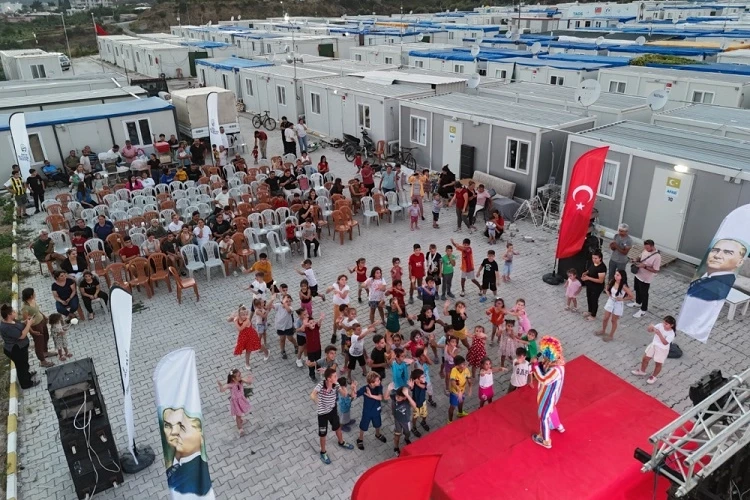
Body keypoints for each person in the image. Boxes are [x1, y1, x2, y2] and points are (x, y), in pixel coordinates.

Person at [679, 238, 746, 341]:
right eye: (715, 250)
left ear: (740, 262)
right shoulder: (705, 278)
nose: (717, 255)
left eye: (728, 253)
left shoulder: (717, 287)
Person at [161, 407, 213, 496]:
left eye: (181, 427)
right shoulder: (172, 468)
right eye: (168, 425)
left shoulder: (199, 478)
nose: (174, 432)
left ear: (200, 436)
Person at [311, 368, 355, 464]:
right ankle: (323, 452)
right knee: (323, 434)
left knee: (337, 427)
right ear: (329, 379)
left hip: (332, 410)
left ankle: (341, 442)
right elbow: (313, 395)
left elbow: (344, 394)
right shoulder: (321, 385)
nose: (337, 377)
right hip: (322, 414)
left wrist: (350, 388)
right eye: (335, 376)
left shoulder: (336, 384)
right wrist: (317, 401)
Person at [531, 336, 566, 449]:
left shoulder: (556, 370)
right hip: (551, 395)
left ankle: (545, 440)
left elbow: (543, 379)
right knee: (552, 409)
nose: (543, 356)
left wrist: (535, 366)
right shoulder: (554, 361)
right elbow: (545, 367)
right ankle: (558, 425)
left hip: (548, 396)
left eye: (545, 354)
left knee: (543, 416)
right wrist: (539, 364)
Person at [0, 304, 38, 389]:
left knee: (24, 364)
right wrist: (29, 324)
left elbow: (19, 325)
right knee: (21, 367)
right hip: (16, 350)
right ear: (9, 315)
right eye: (13, 312)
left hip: (21, 348)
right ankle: (26, 384)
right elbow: (22, 336)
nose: (15, 312)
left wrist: (25, 322)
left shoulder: (11, 321)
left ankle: (27, 375)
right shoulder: (7, 327)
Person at [631, 315, 676, 385]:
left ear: (671, 325)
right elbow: (650, 330)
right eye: (664, 322)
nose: (664, 325)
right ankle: (642, 371)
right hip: (654, 345)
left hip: (662, 349)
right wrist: (650, 327)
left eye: (666, 324)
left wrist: (659, 334)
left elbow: (665, 343)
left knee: (658, 363)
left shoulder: (671, 334)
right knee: (645, 358)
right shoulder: (660, 325)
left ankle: (653, 377)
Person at [596, 269, 634, 342]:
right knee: (605, 318)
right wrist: (608, 292)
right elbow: (607, 288)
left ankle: (611, 335)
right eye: (615, 274)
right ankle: (603, 330)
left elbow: (632, 296)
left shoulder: (624, 286)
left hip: (618, 304)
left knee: (613, 320)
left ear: (622, 277)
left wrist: (622, 299)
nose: (615, 276)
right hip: (611, 301)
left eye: (617, 275)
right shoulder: (612, 281)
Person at [20, 288, 54, 367]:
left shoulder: (33, 300)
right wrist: (32, 331)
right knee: (39, 343)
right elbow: (26, 321)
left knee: (46, 337)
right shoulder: (25, 308)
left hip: (42, 321)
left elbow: (37, 311)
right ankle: (42, 361)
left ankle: (45, 352)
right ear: (31, 296)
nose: (35, 294)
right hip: (35, 326)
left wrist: (44, 316)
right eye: (34, 293)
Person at [628, 239, 662, 319]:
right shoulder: (645, 250)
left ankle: (643, 309)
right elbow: (640, 256)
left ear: (652, 246)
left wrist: (644, 266)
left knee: (644, 294)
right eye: (645, 247)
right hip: (638, 274)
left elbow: (656, 270)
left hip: (645, 278)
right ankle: (638, 302)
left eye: (647, 248)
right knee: (637, 289)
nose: (646, 249)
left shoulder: (657, 257)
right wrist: (636, 260)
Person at [355, 371, 388, 450]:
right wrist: (353, 388)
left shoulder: (379, 386)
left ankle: (377, 434)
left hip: (376, 410)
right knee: (363, 426)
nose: (379, 381)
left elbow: (380, 397)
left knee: (378, 424)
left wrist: (371, 396)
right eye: (377, 380)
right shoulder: (365, 388)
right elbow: (355, 395)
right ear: (372, 383)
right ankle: (360, 439)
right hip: (367, 412)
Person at [390, 381, 417, 457]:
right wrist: (389, 389)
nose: (397, 398)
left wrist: (408, 395)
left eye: (399, 397)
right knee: (397, 436)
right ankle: (396, 448)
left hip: (406, 421)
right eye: (397, 396)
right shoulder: (394, 395)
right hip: (397, 420)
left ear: (405, 397)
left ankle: (406, 439)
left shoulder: (407, 401)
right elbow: (385, 397)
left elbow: (414, 406)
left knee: (407, 433)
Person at [582, 250, 607, 321]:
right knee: (589, 298)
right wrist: (586, 272)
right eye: (593, 258)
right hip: (590, 285)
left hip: (597, 287)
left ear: (600, 258)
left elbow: (600, 280)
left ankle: (593, 315)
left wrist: (588, 278)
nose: (594, 260)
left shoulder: (602, 268)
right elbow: (590, 269)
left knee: (594, 300)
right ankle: (590, 311)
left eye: (596, 258)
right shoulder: (594, 263)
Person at [327, 275, 350, 344]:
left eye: (345, 280)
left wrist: (338, 292)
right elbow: (328, 291)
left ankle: (347, 334)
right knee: (335, 321)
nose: (344, 281)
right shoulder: (335, 285)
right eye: (342, 279)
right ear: (338, 280)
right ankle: (334, 334)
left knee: (347, 320)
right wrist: (330, 288)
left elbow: (343, 296)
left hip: (345, 307)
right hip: (337, 306)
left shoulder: (347, 287)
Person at [448, 355, 471, 422]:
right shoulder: (454, 370)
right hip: (455, 393)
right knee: (452, 407)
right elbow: (452, 382)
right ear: (457, 366)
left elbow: (469, 378)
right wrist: (458, 391)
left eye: (464, 363)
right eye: (463, 364)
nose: (465, 365)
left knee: (461, 402)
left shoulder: (466, 369)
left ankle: (460, 413)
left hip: (462, 391)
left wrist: (470, 388)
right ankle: (450, 421)